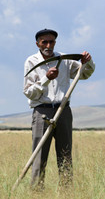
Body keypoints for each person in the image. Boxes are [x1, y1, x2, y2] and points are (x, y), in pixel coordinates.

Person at [23, 29, 95, 188]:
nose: (48, 45)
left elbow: (84, 74)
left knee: (65, 154)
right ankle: (36, 191)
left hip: (63, 110)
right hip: (42, 111)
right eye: (44, 42)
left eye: (52, 42)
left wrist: (87, 61)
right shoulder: (31, 61)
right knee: (39, 154)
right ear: (37, 44)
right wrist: (45, 79)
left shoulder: (65, 59)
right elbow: (29, 93)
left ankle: (67, 191)